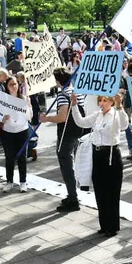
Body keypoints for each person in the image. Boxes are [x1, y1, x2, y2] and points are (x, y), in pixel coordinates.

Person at [70, 92, 128, 236]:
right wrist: (74, 105)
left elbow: (124, 125)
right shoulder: (97, 115)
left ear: (111, 102)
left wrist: (120, 106)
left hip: (111, 154)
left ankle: (112, 226)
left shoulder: (116, 114)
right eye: (100, 101)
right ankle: (104, 224)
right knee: (100, 191)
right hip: (97, 154)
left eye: (104, 101)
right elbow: (81, 122)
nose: (101, 104)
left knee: (112, 192)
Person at [40, 68, 84, 212]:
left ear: (58, 81)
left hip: (66, 133)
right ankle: (73, 194)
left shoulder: (62, 95)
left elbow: (62, 117)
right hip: (77, 130)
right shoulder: (77, 91)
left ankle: (73, 197)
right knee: (71, 162)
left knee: (66, 164)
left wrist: (46, 119)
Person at [0, 75, 32, 192]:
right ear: (7, 86)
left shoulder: (24, 98)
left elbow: (29, 117)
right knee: (9, 158)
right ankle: (9, 182)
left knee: (22, 157)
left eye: (16, 84)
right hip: (8, 132)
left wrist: (29, 106)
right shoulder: (2, 99)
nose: (14, 86)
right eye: (11, 84)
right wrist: (2, 118)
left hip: (22, 131)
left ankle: (23, 182)